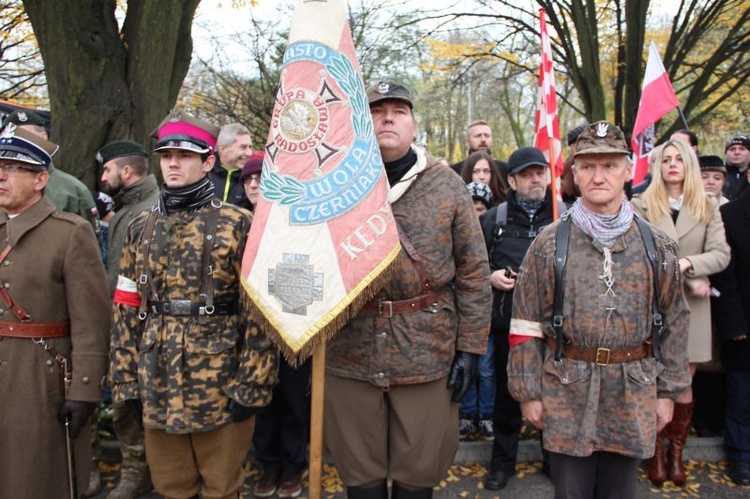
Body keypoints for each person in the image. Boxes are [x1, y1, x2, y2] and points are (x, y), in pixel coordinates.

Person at [324, 81, 492, 499]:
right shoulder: (333, 185)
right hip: (350, 349)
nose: (387, 118)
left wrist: (471, 350)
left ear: (414, 124)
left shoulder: (447, 184)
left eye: (398, 111)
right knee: (359, 477)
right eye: (378, 111)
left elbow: (473, 271)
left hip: (426, 350)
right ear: (363, 123)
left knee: (417, 477)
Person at [508, 121, 691, 499]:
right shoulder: (548, 243)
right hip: (567, 389)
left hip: (634, 389)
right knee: (570, 491)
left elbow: (674, 320)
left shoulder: (657, 246)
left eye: (609, 165)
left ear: (629, 170)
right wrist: (528, 392)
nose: (598, 175)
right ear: (574, 172)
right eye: (588, 166)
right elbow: (525, 322)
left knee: (620, 492)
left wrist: (668, 391)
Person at [110, 110, 278, 499]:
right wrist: (124, 380)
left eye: (184, 156)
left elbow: (260, 311)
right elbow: (126, 305)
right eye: (166, 155)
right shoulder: (141, 226)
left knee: (222, 487)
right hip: (155, 378)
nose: (172, 163)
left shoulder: (238, 224)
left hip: (219, 380)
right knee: (171, 486)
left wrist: (252, 382)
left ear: (207, 162)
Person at [0, 124, 110, 498]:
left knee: (36, 477)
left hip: (42, 376)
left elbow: (92, 321)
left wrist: (85, 390)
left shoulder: (70, 232)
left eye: (13, 168)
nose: (1, 175)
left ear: (40, 179)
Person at [631, 138, 730, 487]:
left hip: (693, 309)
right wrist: (683, 270)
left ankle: (676, 454)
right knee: (655, 380)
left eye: (679, 159)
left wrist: (690, 263)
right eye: (666, 159)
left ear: (689, 164)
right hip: (653, 305)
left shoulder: (707, 205)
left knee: (683, 381)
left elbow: (721, 254)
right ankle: (654, 452)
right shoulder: (641, 204)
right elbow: (636, 253)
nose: (672, 164)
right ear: (657, 166)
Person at [481, 146, 562, 491]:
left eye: (540, 172)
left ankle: (554, 459)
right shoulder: (493, 220)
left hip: (556, 328)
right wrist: (492, 276)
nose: (535, 179)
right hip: (509, 327)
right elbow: (471, 266)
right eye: (527, 174)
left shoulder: (566, 216)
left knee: (555, 395)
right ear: (511, 180)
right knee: (507, 396)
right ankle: (503, 463)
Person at [97, 139, 159, 499]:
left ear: (125, 171)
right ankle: (139, 470)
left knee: (131, 401)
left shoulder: (148, 209)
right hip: (121, 318)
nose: (102, 178)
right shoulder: (128, 207)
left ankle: (140, 472)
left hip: (139, 325)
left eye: (107, 170)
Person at [1, 109, 100, 239]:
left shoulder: (73, 189)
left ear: (43, 137)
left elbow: (89, 243)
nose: (16, 143)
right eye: (9, 137)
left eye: (23, 136)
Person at [710, 186, 750, 485]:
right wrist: (734, 325)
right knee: (742, 396)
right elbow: (725, 274)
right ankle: (741, 456)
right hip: (744, 327)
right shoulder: (730, 215)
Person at [209, 123, 253, 209]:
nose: (249, 153)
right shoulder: (201, 173)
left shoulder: (253, 179)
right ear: (223, 149)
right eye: (243, 147)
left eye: (250, 147)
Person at [722, 134, 750, 201]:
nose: (737, 152)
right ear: (726, 153)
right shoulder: (717, 176)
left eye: (742, 149)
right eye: (732, 149)